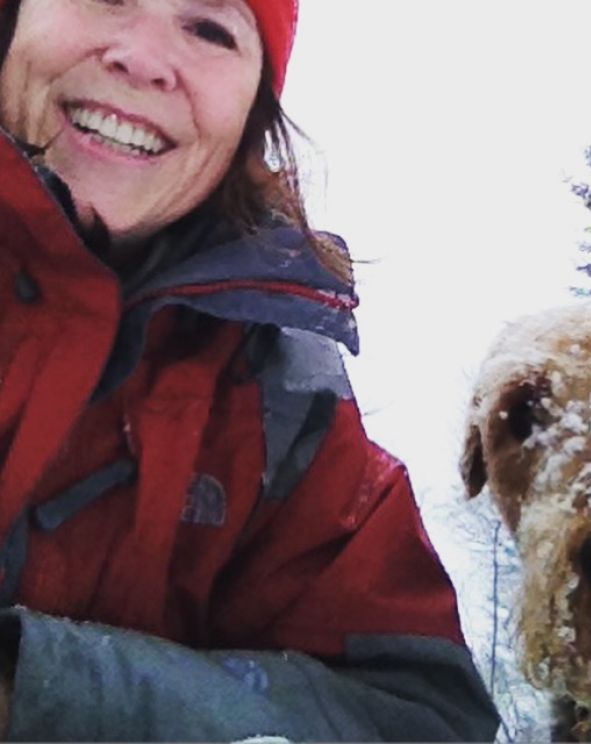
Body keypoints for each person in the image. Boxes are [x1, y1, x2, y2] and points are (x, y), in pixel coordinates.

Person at [0, 0, 500, 740]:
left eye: (210, 29)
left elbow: (419, 718)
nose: (142, 59)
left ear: (252, 116)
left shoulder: (284, 409)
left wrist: (33, 692)